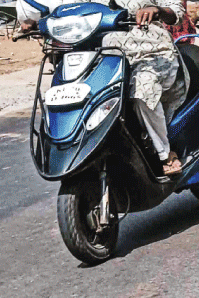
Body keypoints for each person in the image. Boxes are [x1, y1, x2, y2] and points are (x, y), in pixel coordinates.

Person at [18, 0, 189, 176]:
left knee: (141, 90)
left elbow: (176, 12)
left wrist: (158, 10)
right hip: (105, 53)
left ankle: (165, 153)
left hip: (152, 52)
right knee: (77, 92)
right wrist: (37, 20)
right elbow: (66, 9)